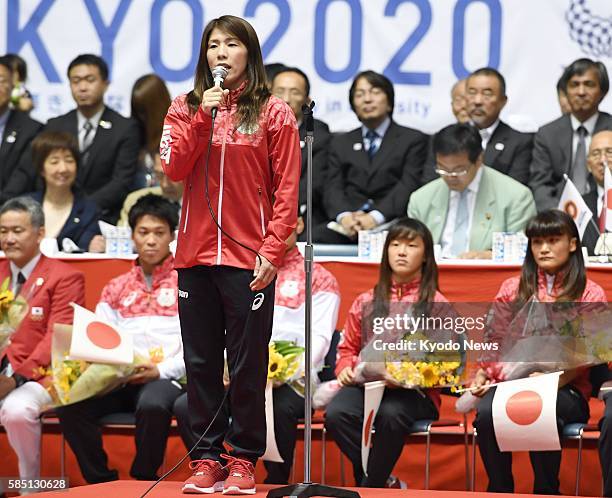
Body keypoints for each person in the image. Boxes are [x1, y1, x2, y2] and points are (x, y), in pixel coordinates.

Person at [160, 15, 300, 495]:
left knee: (246, 365)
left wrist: (272, 249)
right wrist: (202, 116)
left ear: (249, 54)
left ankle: (242, 459)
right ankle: (205, 459)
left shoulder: (275, 113)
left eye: (231, 44)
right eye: (213, 45)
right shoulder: (183, 108)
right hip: (194, 258)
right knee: (199, 363)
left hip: (248, 259)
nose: (221, 53)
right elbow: (174, 167)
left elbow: (286, 192)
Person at [173, 214, 341, 484]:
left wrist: (278, 370)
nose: (272, 233)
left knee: (279, 407)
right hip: (236, 371)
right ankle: (210, 463)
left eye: (280, 225)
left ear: (295, 225)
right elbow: (215, 331)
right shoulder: (237, 270)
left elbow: (319, 340)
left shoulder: (319, 277)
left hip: (290, 380)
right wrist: (229, 368)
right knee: (184, 404)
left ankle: (274, 480)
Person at [470, 209, 606, 494]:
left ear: (571, 244)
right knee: (485, 412)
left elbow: (590, 353)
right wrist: (485, 373)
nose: (543, 249)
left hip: (566, 390)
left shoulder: (590, 293)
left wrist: (552, 380)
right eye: (536, 242)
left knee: (541, 407)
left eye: (553, 240)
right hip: (511, 384)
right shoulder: (512, 288)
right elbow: (493, 339)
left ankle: (546, 490)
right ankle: (499, 488)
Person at [56, 194, 185, 483]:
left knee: (153, 404)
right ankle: (101, 480)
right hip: (117, 378)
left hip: (164, 377)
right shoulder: (116, 287)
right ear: (132, 236)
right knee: (68, 403)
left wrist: (162, 370)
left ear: (172, 237)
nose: (151, 240)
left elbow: (200, 344)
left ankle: (143, 478)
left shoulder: (188, 284)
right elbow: (100, 335)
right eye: (143, 232)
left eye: (159, 233)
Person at [325, 217, 445, 487]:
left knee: (391, 414)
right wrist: (345, 368)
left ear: (426, 256)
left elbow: (448, 364)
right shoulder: (366, 300)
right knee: (337, 414)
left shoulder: (437, 305)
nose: (401, 251)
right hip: (368, 385)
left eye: (411, 245)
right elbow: (347, 349)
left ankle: (370, 487)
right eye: (395, 244)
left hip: (415, 392)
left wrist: (412, 376)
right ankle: (382, 481)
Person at [0, 197, 84, 483]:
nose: (9, 239)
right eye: (3, 231)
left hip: (43, 376)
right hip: (3, 374)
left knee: (16, 411)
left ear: (39, 233)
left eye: (17, 231)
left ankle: (29, 486)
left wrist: (16, 379)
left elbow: (57, 337)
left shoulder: (65, 276)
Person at [320, 70, 427, 243]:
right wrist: (345, 216)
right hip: (349, 224)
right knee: (312, 239)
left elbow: (408, 184)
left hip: (391, 221)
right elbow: (332, 186)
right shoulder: (340, 142)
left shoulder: (413, 140)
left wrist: (376, 217)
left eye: (375, 92)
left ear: (390, 102)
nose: (367, 99)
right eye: (360, 94)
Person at [408, 123, 536, 259]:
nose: (451, 176)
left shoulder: (516, 196)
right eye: (443, 169)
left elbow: (522, 251)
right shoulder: (421, 199)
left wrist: (490, 256)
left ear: (479, 159)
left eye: (459, 170)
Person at [43, 54, 140, 222]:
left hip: (105, 217)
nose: (82, 87)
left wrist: (82, 208)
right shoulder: (54, 126)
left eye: (90, 80)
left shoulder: (124, 128)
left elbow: (122, 181)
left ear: (105, 84)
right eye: (76, 81)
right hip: (57, 215)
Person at [530, 58, 612, 209]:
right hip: (560, 215)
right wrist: (559, 217)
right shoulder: (547, 134)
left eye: (589, 85)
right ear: (565, 92)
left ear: (603, 92)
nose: (581, 92)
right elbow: (540, 184)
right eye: (574, 85)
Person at [271, 67, 332, 232]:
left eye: (295, 92)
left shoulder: (317, 132)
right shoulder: (254, 130)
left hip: (300, 213)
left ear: (306, 100)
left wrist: (291, 212)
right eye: (279, 91)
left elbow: (314, 181)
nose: (286, 99)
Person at [26, 131, 102, 252]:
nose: (63, 169)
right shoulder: (24, 206)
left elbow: (86, 249)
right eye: (54, 162)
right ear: (41, 169)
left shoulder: (89, 211)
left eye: (69, 160)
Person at [0, 56, 42, 200]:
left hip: (11, 210)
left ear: (13, 86)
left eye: (1, 80)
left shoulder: (32, 130)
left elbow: (23, 176)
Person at [118, 152, 183, 227]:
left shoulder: (198, 205)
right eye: (159, 175)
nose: (165, 184)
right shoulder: (135, 200)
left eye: (172, 176)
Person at [131, 74, 172, 189]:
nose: (141, 116)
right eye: (137, 110)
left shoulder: (178, 131)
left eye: (144, 110)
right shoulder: (134, 134)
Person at [582, 130, 612, 254]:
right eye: (596, 154)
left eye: (610, 152)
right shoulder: (580, 205)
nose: (603, 160)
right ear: (589, 165)